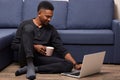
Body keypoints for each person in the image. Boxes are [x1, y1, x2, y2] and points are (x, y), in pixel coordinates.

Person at [11, 1, 81, 80]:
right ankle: (29, 64)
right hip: (25, 58)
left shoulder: (51, 29)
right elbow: (14, 45)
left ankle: (34, 69)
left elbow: (61, 49)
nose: (49, 19)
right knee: (28, 28)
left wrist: (75, 64)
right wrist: (34, 47)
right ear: (39, 13)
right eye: (47, 16)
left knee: (68, 65)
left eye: (51, 17)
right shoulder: (24, 24)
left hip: (41, 59)